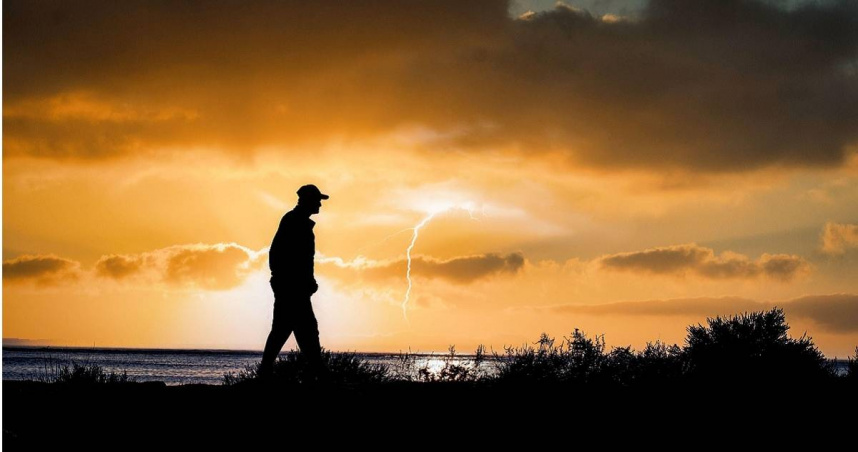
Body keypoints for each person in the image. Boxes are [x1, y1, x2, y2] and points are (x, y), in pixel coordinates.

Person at [259, 184, 329, 380]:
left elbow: (302, 259)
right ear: (307, 201)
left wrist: (307, 281)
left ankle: (319, 373)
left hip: (294, 287)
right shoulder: (293, 222)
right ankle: (321, 375)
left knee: (292, 330)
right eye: (317, 201)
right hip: (292, 289)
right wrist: (289, 281)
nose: (320, 205)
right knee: (301, 330)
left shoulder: (296, 222)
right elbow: (284, 256)